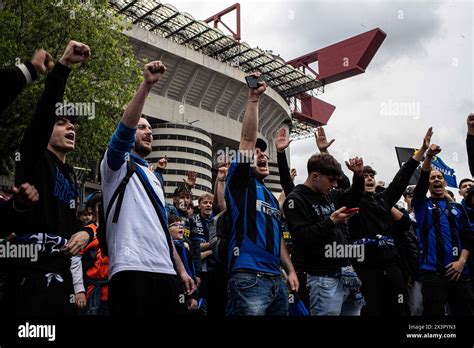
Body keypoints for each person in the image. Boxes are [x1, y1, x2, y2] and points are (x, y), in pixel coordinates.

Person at [2, 41, 94, 318]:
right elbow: (43, 114)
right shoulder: (34, 158)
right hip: (30, 277)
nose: (71, 127)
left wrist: (86, 232)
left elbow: (74, 222)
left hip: (62, 278)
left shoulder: (70, 175)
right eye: (62, 122)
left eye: (74, 124)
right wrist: (63, 67)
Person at [100, 60, 194, 318]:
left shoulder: (155, 179)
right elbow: (122, 134)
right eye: (142, 127)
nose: (148, 132)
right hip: (131, 269)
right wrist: (147, 85)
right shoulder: (115, 167)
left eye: (151, 129)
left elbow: (162, 229)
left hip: (166, 272)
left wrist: (182, 270)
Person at [224, 72, 298, 316]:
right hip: (248, 277)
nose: (262, 156)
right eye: (257, 154)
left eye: (264, 154)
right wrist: (254, 99)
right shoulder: (240, 184)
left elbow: (277, 239)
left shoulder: (268, 195)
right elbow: (246, 139)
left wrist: (290, 270)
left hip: (276, 280)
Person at [348, 128, 433, 317]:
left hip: (392, 268)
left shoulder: (384, 199)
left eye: (372, 176)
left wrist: (421, 152)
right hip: (365, 270)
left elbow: (401, 179)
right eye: (365, 176)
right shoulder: (351, 201)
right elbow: (341, 181)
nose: (369, 178)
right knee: (373, 311)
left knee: (400, 310)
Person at [284, 152, 365, 316]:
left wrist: (358, 175)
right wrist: (331, 222)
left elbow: (353, 198)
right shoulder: (295, 199)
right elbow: (302, 237)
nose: (335, 184)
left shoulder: (330, 194)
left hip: (346, 273)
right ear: (315, 176)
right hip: (322, 277)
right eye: (331, 180)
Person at [413, 143, 474, 316]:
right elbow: (421, 184)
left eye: (439, 177)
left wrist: (461, 262)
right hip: (433, 275)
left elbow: (469, 237)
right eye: (432, 178)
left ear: (445, 182)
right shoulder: (421, 205)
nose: (436, 180)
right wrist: (429, 157)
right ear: (428, 184)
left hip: (460, 273)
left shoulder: (458, 208)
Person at [169, 215, 199, 314]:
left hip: (186, 294)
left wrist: (193, 297)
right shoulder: (166, 250)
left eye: (182, 225)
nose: (180, 227)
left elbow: (191, 272)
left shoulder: (185, 249)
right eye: (175, 225)